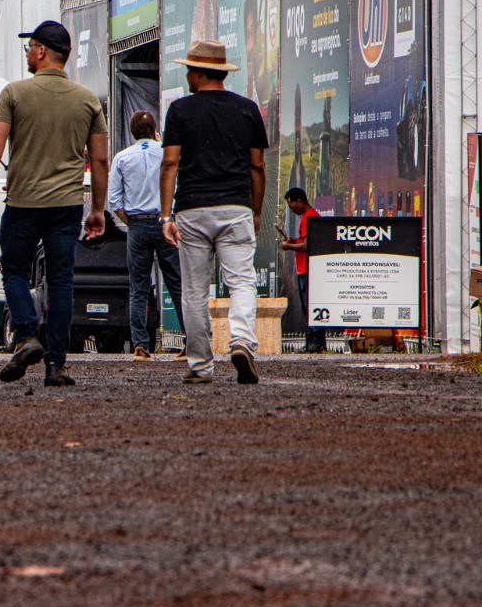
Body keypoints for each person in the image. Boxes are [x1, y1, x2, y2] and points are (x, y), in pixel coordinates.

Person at [0, 20, 109, 386]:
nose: (27, 54)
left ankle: (27, 336)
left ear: (43, 51)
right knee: (61, 281)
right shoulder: (88, 100)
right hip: (65, 205)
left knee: (15, 271)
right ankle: (56, 365)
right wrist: (97, 208)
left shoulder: (13, 94)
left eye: (29, 47)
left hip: (22, 203)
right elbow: (99, 160)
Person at [159, 39, 269, 386]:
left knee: (193, 289)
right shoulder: (248, 109)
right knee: (241, 281)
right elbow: (257, 167)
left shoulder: (180, 110)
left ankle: (201, 366)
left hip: (192, 209)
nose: (188, 75)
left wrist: (166, 216)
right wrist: (255, 211)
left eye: (189, 70)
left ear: (198, 73)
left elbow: (170, 163)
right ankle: (241, 341)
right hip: (236, 206)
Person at [110, 110, 184, 359]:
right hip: (166, 221)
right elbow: (180, 187)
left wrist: (130, 222)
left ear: (132, 133)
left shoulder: (121, 158)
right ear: (155, 130)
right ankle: (191, 342)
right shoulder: (168, 152)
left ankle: (140, 345)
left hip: (138, 225)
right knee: (177, 284)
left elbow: (115, 201)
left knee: (138, 288)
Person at [280, 187, 325, 354]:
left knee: (310, 306)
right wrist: (295, 240)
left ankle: (315, 341)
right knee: (309, 307)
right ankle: (313, 341)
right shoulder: (310, 216)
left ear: (300, 201)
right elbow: (305, 240)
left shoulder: (308, 218)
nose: (292, 210)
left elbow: (307, 245)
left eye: (292, 206)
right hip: (305, 269)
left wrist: (288, 245)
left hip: (308, 269)